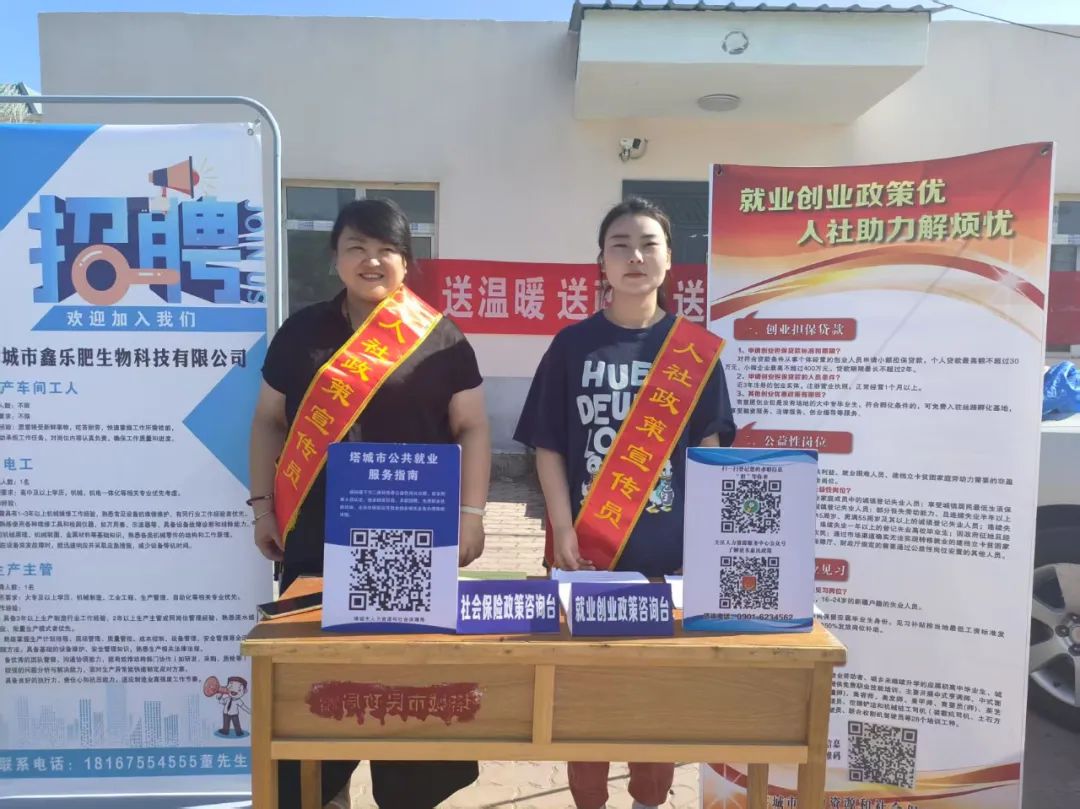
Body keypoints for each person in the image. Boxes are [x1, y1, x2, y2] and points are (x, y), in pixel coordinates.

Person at [248, 198, 490, 809]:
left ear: (406, 261)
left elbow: (472, 427)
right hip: (316, 540)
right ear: (335, 257)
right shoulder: (301, 333)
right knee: (315, 698)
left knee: (404, 694)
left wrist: (471, 515)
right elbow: (268, 420)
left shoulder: (440, 337)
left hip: (410, 548)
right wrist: (262, 506)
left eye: (386, 249)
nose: (371, 260)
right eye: (355, 246)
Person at [514, 197, 736, 809]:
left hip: (669, 556)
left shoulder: (694, 352)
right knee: (584, 692)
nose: (635, 256)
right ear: (602, 262)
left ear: (669, 260)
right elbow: (549, 446)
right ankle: (589, 799)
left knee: (654, 693)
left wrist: (706, 545)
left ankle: (648, 799)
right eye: (620, 245)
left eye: (648, 244)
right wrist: (562, 529)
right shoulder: (571, 346)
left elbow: (710, 452)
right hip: (587, 551)